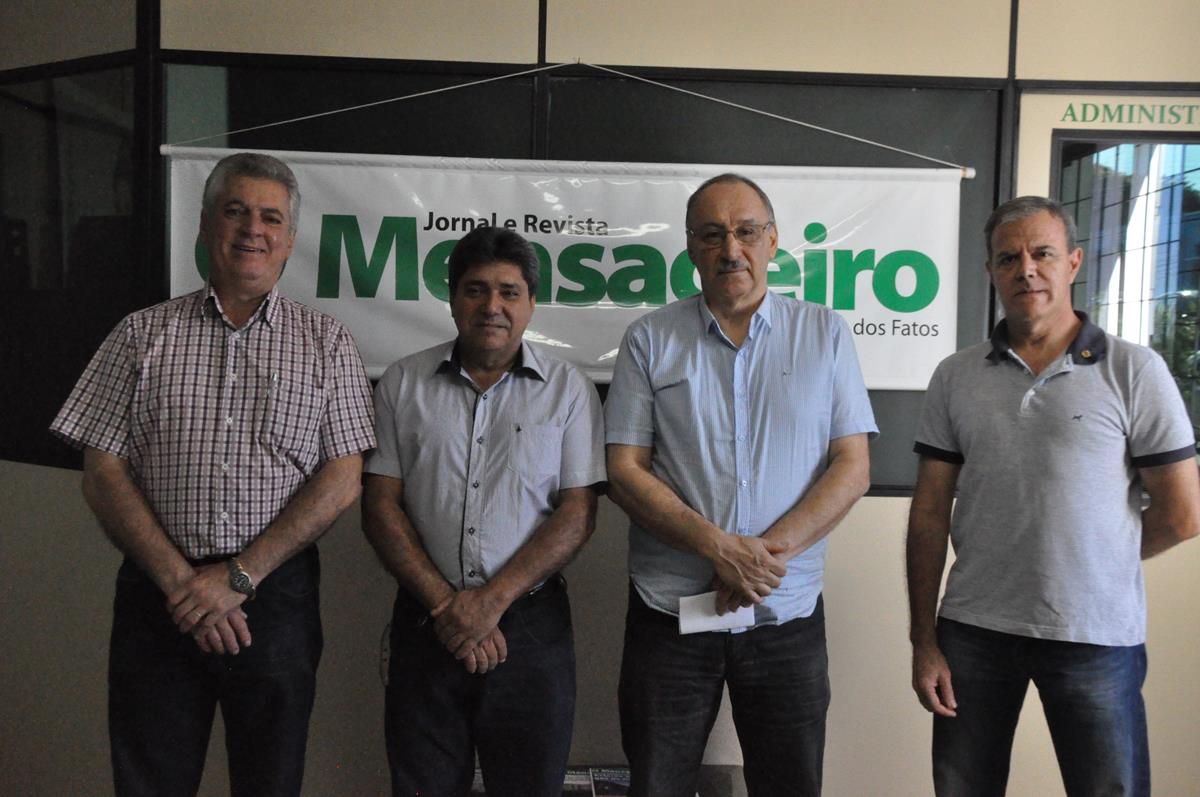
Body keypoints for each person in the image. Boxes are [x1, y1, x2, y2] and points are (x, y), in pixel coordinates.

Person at [50, 152, 376, 797]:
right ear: (205, 226)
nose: (251, 230)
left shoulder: (328, 343)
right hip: (159, 599)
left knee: (271, 780)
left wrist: (238, 577)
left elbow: (342, 479)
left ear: (288, 240)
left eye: (269, 217)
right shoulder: (141, 335)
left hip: (274, 601)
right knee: (150, 781)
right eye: (235, 212)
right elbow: (102, 469)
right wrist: (184, 585)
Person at [906, 195, 1200, 796]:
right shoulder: (955, 376)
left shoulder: (1134, 371)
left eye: (1042, 254)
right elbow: (930, 513)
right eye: (1008, 258)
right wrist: (923, 640)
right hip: (974, 630)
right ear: (990, 271)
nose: (1026, 270)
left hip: (1095, 636)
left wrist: (1093, 557)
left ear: (1073, 261)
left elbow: (1183, 513)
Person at [604, 173, 877, 797]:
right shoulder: (648, 339)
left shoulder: (825, 334)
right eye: (712, 234)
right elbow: (624, 470)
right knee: (657, 784)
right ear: (691, 248)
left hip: (786, 613)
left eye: (747, 231)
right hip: (670, 613)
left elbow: (852, 467)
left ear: (773, 240)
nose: (732, 249)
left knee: (790, 785)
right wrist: (717, 549)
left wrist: (755, 560)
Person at [361, 225, 605, 797]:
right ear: (451, 298)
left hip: (531, 628)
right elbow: (379, 504)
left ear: (531, 303)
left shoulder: (568, 389)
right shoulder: (402, 382)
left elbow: (578, 512)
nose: (491, 306)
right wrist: (450, 608)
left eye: (508, 292)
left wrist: (489, 605)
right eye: (475, 290)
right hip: (427, 620)